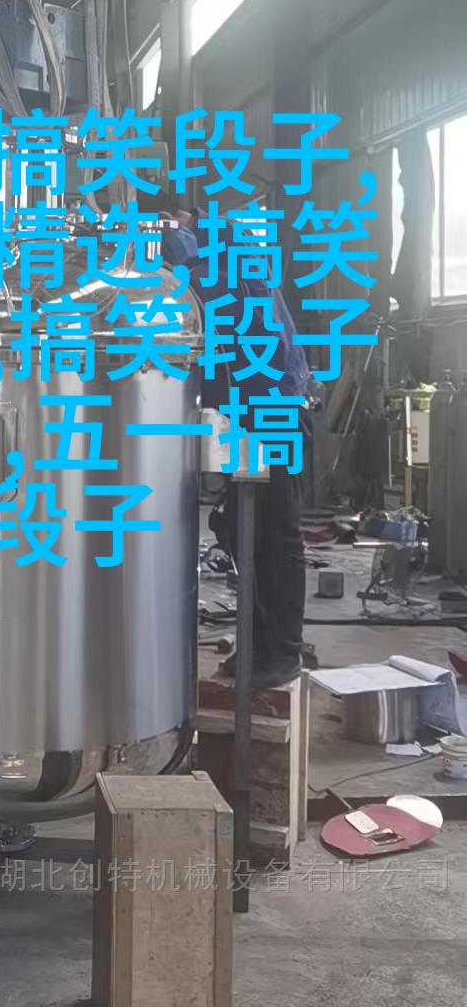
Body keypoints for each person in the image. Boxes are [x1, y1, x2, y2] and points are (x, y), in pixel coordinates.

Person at [163, 210, 310, 689]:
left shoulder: (221, 251)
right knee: (245, 531)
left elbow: (222, 309)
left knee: (275, 533)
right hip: (247, 410)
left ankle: (282, 651)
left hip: (275, 408)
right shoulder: (215, 249)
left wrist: (181, 259)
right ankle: (260, 645)